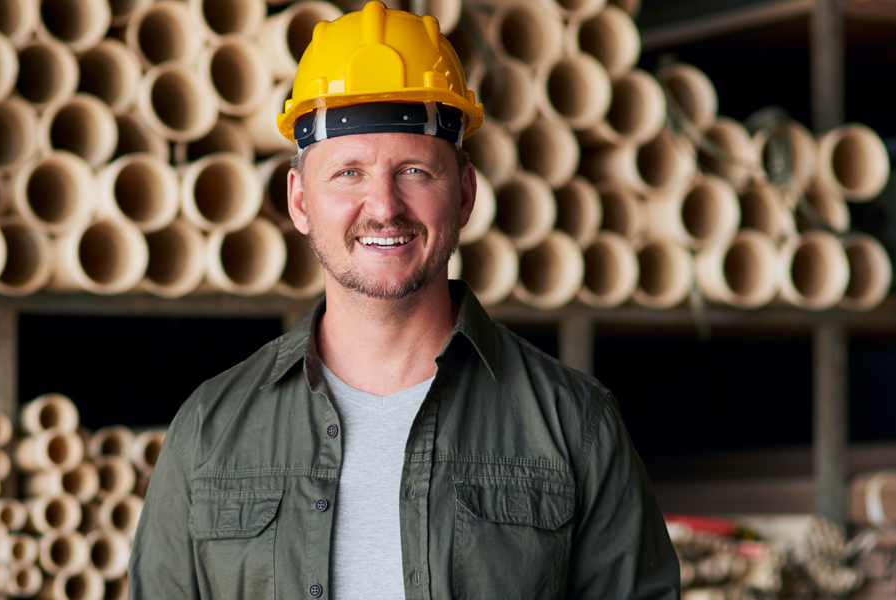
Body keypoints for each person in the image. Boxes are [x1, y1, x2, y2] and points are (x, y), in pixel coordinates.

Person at [127, 2, 679, 598]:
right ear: (299, 199)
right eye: (348, 173)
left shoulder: (575, 429)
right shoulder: (210, 433)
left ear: (465, 194)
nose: (384, 206)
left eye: (415, 171)